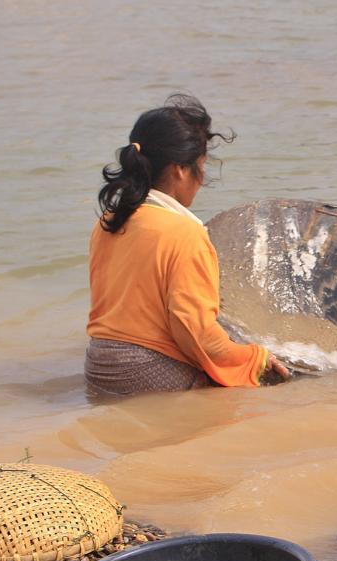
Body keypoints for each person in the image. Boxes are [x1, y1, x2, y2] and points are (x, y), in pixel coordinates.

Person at [85, 94, 289, 395]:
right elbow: (194, 334)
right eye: (201, 166)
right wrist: (254, 357)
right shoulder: (185, 233)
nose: (202, 178)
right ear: (180, 169)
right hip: (146, 373)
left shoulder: (108, 221)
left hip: (98, 367)